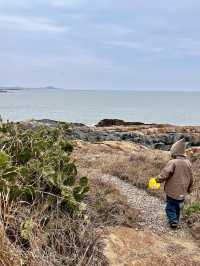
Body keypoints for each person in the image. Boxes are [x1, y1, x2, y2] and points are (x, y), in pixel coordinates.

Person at [156, 138, 193, 229]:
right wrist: (189, 188)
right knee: (178, 206)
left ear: (174, 153)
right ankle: (176, 219)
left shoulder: (173, 162)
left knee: (170, 207)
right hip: (183, 191)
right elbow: (191, 177)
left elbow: (165, 174)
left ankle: (173, 221)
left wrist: (158, 180)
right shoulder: (188, 163)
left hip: (172, 191)